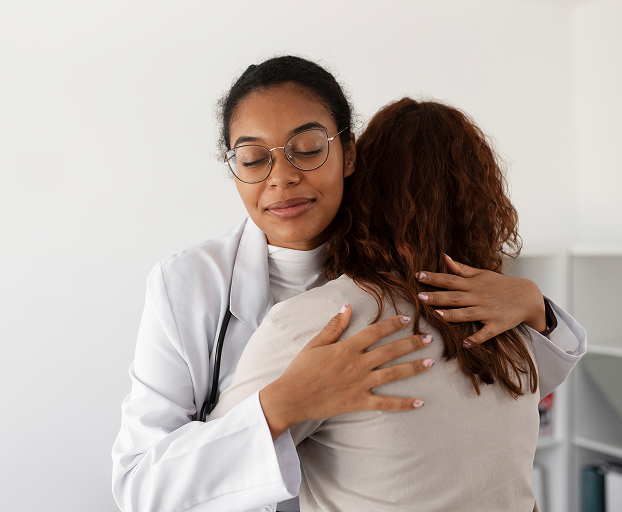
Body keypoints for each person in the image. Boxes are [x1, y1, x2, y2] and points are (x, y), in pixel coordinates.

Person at [111, 57, 586, 512]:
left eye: (308, 148)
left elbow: (500, 388)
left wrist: (534, 307)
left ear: (349, 153)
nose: (282, 178)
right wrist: (285, 404)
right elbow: (139, 485)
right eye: (254, 159)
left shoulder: (405, 277)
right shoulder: (187, 285)